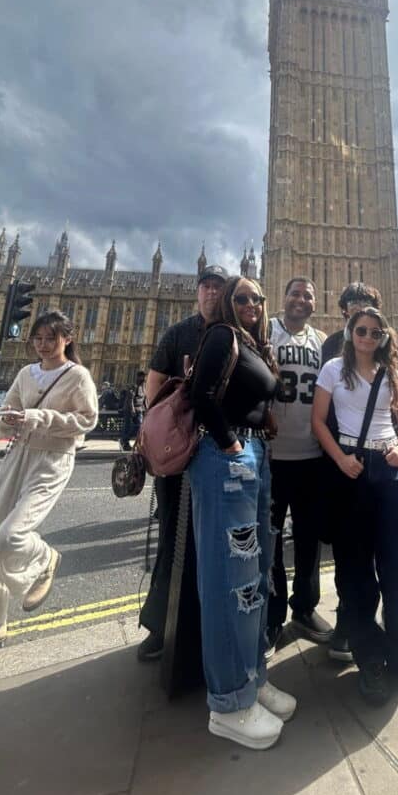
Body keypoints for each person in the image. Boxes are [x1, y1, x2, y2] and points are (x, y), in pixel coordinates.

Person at [0, 311, 98, 660]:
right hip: (17, 457)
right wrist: (7, 421)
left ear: (67, 339)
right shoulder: (25, 373)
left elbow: (87, 420)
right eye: (37, 338)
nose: (42, 345)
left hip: (52, 460)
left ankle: (45, 558)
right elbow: (4, 416)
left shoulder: (78, 376)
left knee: (9, 537)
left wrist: (36, 417)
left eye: (50, 338)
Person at [312, 307, 398, 706]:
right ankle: (370, 660)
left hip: (389, 466)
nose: (367, 337)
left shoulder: (391, 372)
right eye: (361, 330)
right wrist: (340, 459)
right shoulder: (333, 369)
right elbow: (318, 421)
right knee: (355, 572)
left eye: (375, 332)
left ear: (383, 337)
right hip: (352, 467)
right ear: (350, 332)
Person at [190, 274, 295, 750]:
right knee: (229, 579)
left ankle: (253, 678)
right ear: (228, 303)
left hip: (253, 455)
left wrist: (259, 425)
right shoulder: (221, 335)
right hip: (226, 458)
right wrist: (232, 443)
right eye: (241, 297)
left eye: (257, 297)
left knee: (255, 575)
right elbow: (201, 397)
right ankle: (229, 705)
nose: (251, 302)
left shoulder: (253, 343)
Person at [138, 264, 227, 664]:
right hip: (178, 454)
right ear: (198, 292)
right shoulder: (178, 334)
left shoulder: (232, 332)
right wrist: (162, 430)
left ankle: (207, 626)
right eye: (206, 286)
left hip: (218, 452)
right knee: (173, 538)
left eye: (218, 287)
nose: (211, 293)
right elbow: (154, 383)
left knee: (215, 542)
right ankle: (161, 625)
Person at [266, 277, 331, 654]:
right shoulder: (267, 331)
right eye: (295, 294)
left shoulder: (320, 340)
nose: (301, 300)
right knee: (271, 540)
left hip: (311, 456)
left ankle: (304, 608)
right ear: (284, 297)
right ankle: (273, 616)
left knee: (308, 540)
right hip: (272, 457)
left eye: (308, 296)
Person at [119, 370, 146, 451]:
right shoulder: (133, 386)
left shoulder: (143, 386)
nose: (144, 379)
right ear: (139, 377)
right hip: (130, 410)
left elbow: (143, 398)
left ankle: (124, 439)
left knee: (139, 427)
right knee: (128, 426)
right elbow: (130, 398)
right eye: (143, 377)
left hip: (139, 409)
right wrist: (133, 409)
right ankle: (125, 442)